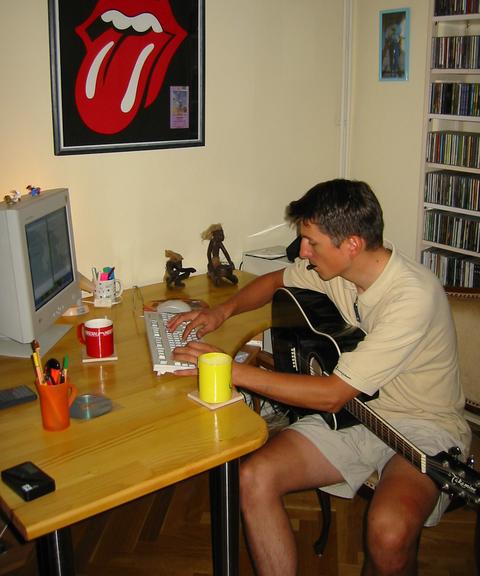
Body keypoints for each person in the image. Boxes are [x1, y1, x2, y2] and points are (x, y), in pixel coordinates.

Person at [170, 179, 470, 576]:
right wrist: (221, 312)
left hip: (422, 425)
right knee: (253, 478)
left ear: (352, 245)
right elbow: (275, 281)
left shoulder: (412, 297)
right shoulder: (339, 272)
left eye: (311, 242)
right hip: (359, 413)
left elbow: (332, 394)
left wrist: (230, 369)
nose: (303, 252)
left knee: (389, 530)